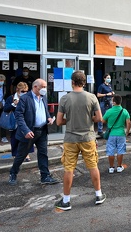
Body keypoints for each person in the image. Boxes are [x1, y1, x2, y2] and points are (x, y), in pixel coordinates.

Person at [55, 71, 106, 210]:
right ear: (84, 83)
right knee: (92, 165)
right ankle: (98, 195)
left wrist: (70, 120)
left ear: (72, 82)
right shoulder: (92, 97)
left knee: (69, 168)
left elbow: (59, 122)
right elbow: (99, 118)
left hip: (70, 138)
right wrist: (89, 119)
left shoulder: (65, 98)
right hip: (88, 137)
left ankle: (66, 201)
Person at [8, 79, 58, 186]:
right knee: (21, 155)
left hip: (42, 131)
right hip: (30, 132)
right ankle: (13, 173)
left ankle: (45, 176)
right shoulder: (25, 98)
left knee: (43, 154)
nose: (45, 89)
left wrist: (48, 118)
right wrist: (25, 130)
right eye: (43, 87)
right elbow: (19, 116)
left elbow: (45, 111)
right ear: (35, 87)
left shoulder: (43, 97)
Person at [4, 82, 34, 161]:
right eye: (22, 91)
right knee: (15, 138)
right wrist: (13, 104)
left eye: (26, 91)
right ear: (17, 90)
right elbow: (5, 109)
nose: (24, 93)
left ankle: (26, 154)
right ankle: (15, 154)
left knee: (27, 137)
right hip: (14, 121)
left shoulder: (28, 98)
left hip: (26, 120)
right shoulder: (11, 98)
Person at [103, 94, 131, 174]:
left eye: (112, 100)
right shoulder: (124, 111)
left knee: (111, 150)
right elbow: (128, 122)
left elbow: (103, 120)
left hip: (111, 134)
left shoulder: (109, 111)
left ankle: (111, 168)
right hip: (121, 134)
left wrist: (109, 123)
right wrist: (127, 132)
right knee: (120, 150)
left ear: (114, 102)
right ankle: (119, 167)